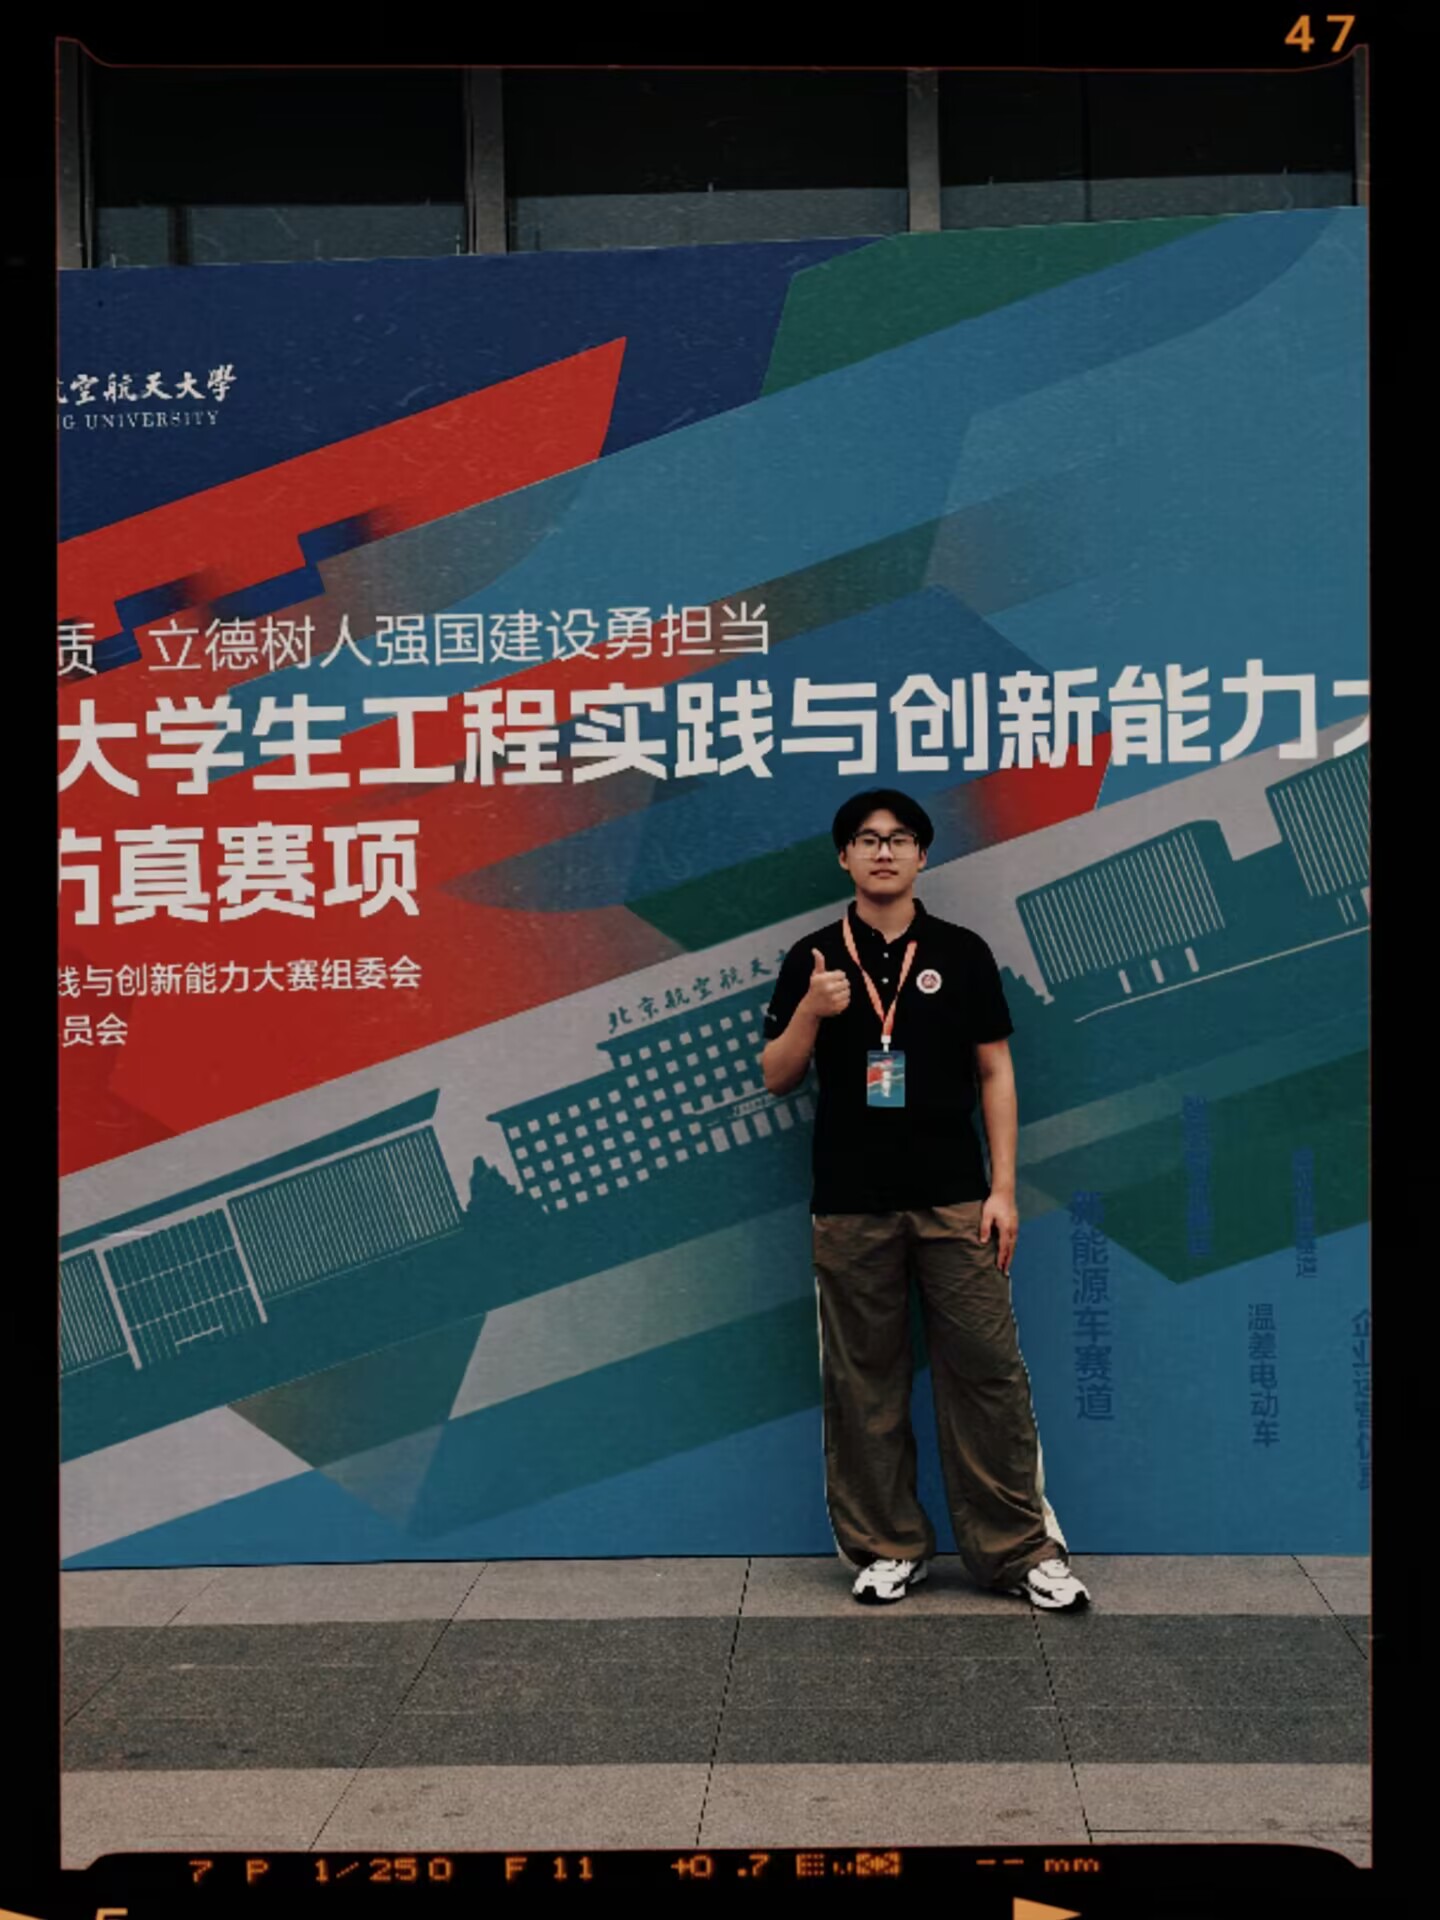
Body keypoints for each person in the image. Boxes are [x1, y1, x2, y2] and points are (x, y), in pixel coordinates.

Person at [760, 789, 1089, 1611]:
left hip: (955, 1200)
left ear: (922, 855)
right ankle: (887, 1547)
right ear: (844, 857)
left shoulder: (962, 951)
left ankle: (1019, 1551)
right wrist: (810, 1012)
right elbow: (776, 1076)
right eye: (867, 839)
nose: (884, 851)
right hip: (850, 1205)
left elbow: (996, 1072)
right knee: (863, 1383)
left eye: (900, 838)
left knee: (988, 1375)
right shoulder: (811, 957)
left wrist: (1003, 1189)